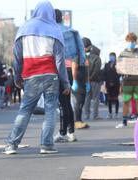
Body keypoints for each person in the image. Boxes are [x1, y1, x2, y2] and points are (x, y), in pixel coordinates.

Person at [3, 1, 71, 155]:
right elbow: (60, 61)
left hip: (30, 76)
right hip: (50, 76)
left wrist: (17, 77)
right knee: (50, 110)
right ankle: (46, 145)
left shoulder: (24, 29)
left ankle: (12, 145)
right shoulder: (55, 30)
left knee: (25, 110)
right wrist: (65, 83)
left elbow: (17, 58)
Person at [53, 8, 84, 142]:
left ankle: (62, 132)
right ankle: (70, 132)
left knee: (62, 104)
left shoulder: (52, 31)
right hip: (70, 70)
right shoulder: (71, 31)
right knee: (66, 102)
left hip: (57, 71)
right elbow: (79, 54)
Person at [116, 32, 138, 128]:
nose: (131, 43)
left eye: (133, 41)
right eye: (129, 41)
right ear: (126, 41)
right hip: (127, 81)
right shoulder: (122, 54)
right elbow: (119, 68)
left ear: (135, 41)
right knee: (126, 101)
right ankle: (124, 121)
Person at [82, 37, 102, 120]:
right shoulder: (97, 58)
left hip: (85, 81)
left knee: (87, 98)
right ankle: (95, 115)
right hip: (95, 81)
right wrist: (90, 78)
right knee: (95, 98)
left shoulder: (82, 57)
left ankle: (86, 115)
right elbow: (97, 70)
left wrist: (86, 79)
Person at [104, 52, 120, 119]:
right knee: (109, 99)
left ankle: (116, 113)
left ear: (115, 57)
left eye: (113, 56)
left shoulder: (118, 64)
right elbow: (104, 74)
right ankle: (110, 113)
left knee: (116, 99)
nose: (111, 57)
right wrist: (106, 82)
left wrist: (114, 81)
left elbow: (119, 74)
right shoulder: (106, 65)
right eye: (110, 56)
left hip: (116, 83)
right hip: (108, 84)